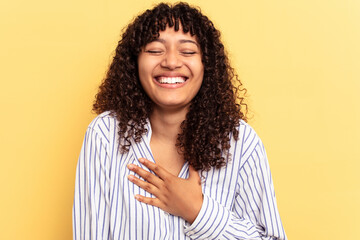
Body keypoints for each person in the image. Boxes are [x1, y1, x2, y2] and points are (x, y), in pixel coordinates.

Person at [72, 2, 287, 239]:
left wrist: (198, 211)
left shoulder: (241, 142)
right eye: (155, 50)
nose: (171, 62)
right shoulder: (105, 134)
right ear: (134, 63)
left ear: (208, 65)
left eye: (188, 51)